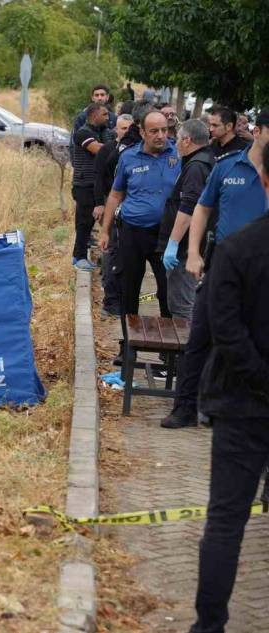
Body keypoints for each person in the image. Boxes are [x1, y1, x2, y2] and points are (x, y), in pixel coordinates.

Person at [187, 139, 269, 633]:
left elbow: (223, 325)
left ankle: (208, 625)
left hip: (241, 402)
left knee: (226, 521)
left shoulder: (237, 248)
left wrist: (259, 376)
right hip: (245, 399)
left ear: (262, 180)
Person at [161, 111, 269, 429]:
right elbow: (203, 207)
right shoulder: (227, 165)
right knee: (200, 338)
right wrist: (192, 253)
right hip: (224, 266)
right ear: (259, 131)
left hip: (263, 272)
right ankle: (185, 407)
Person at [99, 111, 180, 317]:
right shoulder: (128, 157)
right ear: (143, 132)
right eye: (154, 131)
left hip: (165, 235)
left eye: (164, 130)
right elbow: (115, 196)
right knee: (130, 289)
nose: (161, 135)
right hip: (133, 232)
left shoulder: (178, 154)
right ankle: (128, 346)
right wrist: (105, 231)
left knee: (167, 290)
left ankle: (169, 348)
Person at [157, 119, 215, 320]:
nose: (176, 143)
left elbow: (188, 208)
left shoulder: (197, 167)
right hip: (192, 245)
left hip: (184, 248)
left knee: (182, 308)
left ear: (188, 140)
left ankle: (186, 350)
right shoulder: (203, 160)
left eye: (179, 139)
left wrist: (172, 243)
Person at [94, 113, 134, 316]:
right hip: (113, 204)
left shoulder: (137, 151)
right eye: (123, 128)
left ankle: (124, 300)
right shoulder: (109, 150)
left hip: (132, 209)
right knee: (111, 250)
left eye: (130, 128)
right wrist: (100, 204)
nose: (126, 132)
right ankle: (110, 301)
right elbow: (99, 178)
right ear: (116, 130)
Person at [70, 103, 112, 270]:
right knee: (84, 222)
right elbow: (99, 150)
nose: (108, 118)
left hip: (97, 185)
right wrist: (116, 146)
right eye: (105, 114)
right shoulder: (83, 133)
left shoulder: (103, 132)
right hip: (83, 184)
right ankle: (78, 256)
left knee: (97, 223)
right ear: (94, 116)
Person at [69, 84, 117, 159]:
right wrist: (74, 162)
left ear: (107, 97)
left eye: (102, 95)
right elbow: (74, 141)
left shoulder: (113, 117)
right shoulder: (82, 117)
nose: (99, 98)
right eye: (96, 95)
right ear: (92, 98)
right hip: (86, 161)